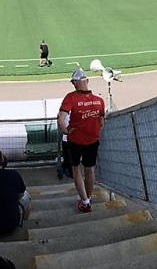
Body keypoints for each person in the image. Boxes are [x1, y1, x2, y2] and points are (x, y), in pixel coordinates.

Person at [57, 68, 105, 213]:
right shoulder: (99, 100)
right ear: (87, 81)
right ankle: (88, 198)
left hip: (75, 141)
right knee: (90, 169)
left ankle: (85, 201)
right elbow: (102, 122)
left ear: (74, 83)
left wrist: (66, 131)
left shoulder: (70, 98)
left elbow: (61, 120)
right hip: (92, 140)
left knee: (76, 169)